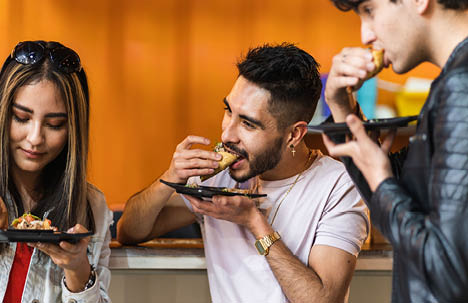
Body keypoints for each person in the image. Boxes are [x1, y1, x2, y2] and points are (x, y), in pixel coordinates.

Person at [117, 43, 369, 303]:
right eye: (229, 111)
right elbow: (130, 231)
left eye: (248, 123)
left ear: (294, 134)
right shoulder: (219, 175)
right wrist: (168, 178)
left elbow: (323, 300)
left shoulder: (339, 186)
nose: (227, 134)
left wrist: (254, 222)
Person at [0, 41, 112, 303]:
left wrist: (77, 270)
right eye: (21, 118)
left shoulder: (92, 206)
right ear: (1, 113)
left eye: (55, 124)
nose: (35, 138)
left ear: (73, 130)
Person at [323, 0, 468, 302]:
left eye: (369, 10)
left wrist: (381, 180)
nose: (365, 35)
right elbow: (408, 195)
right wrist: (340, 105)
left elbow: (450, 273)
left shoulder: (460, 87)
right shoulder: (451, 81)